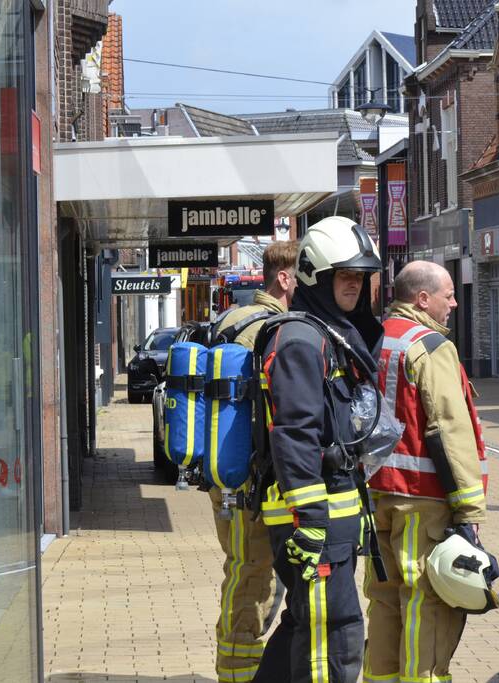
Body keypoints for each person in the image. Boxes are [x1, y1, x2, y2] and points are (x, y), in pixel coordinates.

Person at [252, 217, 383, 683]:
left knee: (301, 624)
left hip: (332, 515)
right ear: (315, 277)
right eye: (344, 276)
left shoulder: (327, 334)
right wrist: (309, 521)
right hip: (312, 520)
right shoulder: (300, 342)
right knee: (335, 632)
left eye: (360, 277)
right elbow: (293, 431)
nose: (354, 285)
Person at [363, 260, 488, 683]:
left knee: (383, 599)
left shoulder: (372, 339)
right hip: (422, 500)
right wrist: (469, 512)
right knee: (425, 602)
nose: (454, 303)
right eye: (448, 295)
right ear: (422, 299)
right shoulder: (431, 346)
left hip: (374, 495)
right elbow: (450, 429)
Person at [207, 239, 298, 683]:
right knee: (252, 575)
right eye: (303, 275)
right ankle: (238, 672)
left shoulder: (230, 318)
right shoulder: (269, 328)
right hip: (248, 483)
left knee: (242, 569)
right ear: (284, 278)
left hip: (226, 473)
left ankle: (236, 665)